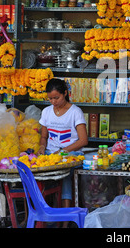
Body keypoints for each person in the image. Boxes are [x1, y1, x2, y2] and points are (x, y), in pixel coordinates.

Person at [37, 78, 88, 214]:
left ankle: (66, 218)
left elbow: (83, 141)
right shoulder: (46, 112)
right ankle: (44, 212)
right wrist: (42, 147)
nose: (53, 102)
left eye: (56, 98)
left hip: (71, 154)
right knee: (37, 176)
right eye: (50, 99)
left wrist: (62, 151)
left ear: (65, 93)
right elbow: (44, 137)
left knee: (64, 176)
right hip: (50, 154)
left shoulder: (75, 112)